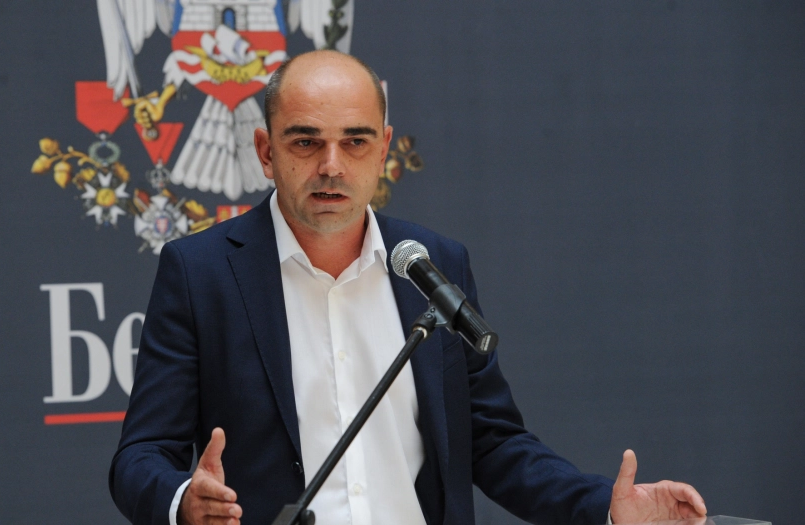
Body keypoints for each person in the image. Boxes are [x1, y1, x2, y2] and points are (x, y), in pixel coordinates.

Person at [110, 50, 707, 525]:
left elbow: (492, 442)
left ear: (383, 151)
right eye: (305, 141)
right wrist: (183, 501)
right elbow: (140, 455)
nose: (332, 165)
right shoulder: (202, 272)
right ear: (266, 152)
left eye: (355, 141)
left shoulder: (433, 264)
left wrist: (605, 508)